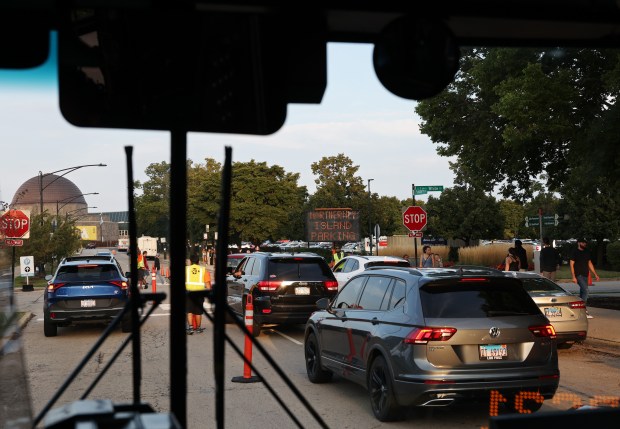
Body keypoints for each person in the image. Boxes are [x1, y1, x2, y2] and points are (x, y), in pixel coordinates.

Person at [570, 238, 599, 319]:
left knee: (583, 292)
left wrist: (595, 274)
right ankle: (584, 310)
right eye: (583, 243)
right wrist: (573, 276)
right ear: (579, 243)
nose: (584, 244)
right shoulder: (574, 252)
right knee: (586, 290)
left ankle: (579, 310)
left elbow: (589, 263)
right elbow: (571, 264)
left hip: (585, 274)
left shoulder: (587, 251)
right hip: (578, 275)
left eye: (585, 243)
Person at [185, 253, 212, 334]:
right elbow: (207, 285)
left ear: (190, 261)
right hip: (199, 294)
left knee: (189, 311)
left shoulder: (186, 269)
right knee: (198, 311)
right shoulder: (203, 270)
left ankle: (190, 328)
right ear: (198, 261)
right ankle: (198, 328)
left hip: (189, 293)